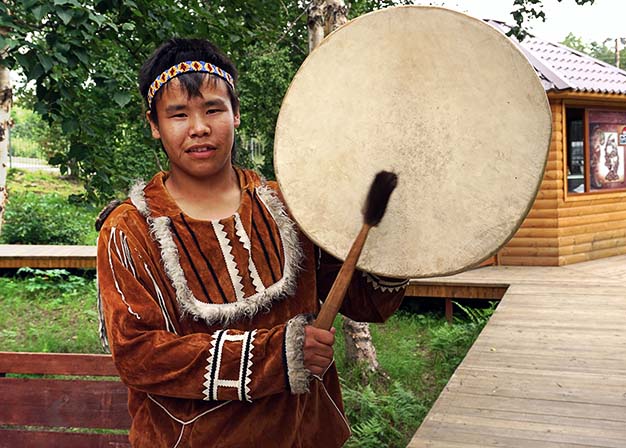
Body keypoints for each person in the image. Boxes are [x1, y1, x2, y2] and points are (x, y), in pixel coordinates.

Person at [96, 37, 408, 447]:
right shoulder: (129, 229)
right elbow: (138, 355)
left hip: (304, 435)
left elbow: (364, 302)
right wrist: (277, 355)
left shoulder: (289, 205)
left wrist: (406, 243)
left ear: (236, 114)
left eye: (213, 109)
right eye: (178, 114)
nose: (199, 128)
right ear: (154, 125)